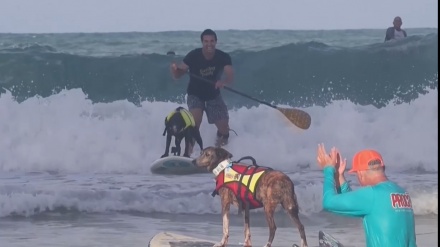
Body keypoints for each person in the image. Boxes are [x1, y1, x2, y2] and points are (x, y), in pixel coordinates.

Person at [316, 144, 417, 247]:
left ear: (360, 173)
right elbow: (357, 203)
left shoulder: (372, 194)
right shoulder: (402, 193)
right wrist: (338, 177)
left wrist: (328, 169)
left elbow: (328, 202)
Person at [170, 29, 234, 147]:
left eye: (212, 41)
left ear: (216, 41)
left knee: (224, 128)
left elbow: (230, 75)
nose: (209, 44)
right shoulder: (193, 55)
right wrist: (175, 71)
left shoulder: (223, 57)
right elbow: (178, 74)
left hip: (213, 95)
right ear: (202, 42)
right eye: (206, 41)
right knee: (195, 122)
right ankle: (188, 155)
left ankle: (218, 151)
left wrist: (223, 82)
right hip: (195, 94)